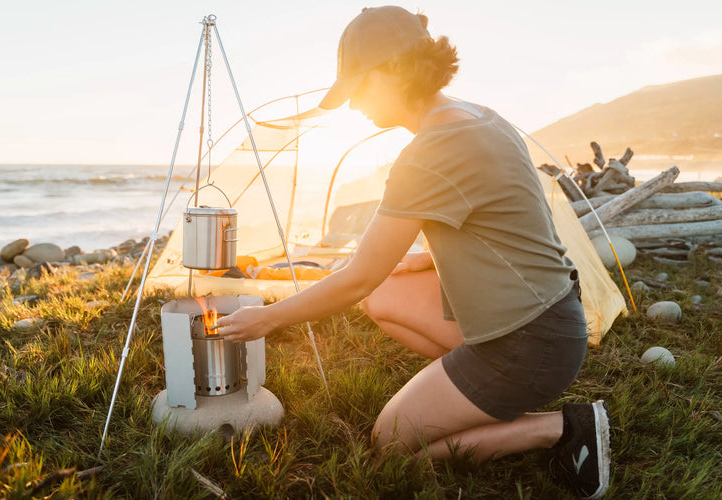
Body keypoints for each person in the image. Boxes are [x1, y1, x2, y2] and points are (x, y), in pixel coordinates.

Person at [216, 6, 610, 498]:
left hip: (530, 343)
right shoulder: (477, 116)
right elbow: (511, 216)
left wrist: (269, 319)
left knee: (392, 442)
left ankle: (560, 427)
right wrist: (427, 259)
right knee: (385, 298)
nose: (353, 103)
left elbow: (359, 276)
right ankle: (473, 386)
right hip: (550, 314)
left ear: (392, 73)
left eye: (357, 86)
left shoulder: (432, 150)